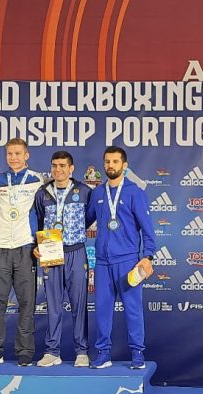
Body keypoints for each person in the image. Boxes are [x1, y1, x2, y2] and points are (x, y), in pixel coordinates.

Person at [85, 146, 156, 369]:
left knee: (133, 309)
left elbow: (148, 230)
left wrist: (149, 256)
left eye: (115, 162)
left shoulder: (135, 192)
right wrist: (56, 239)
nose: (110, 166)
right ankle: (103, 353)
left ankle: (137, 354)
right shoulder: (97, 193)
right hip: (103, 262)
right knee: (102, 310)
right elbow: (82, 224)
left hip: (128, 261)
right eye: (107, 161)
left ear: (124, 166)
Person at [0, 138, 43, 367]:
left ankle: (25, 351)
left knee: (27, 301)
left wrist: (39, 243)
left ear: (26, 155)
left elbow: (42, 212)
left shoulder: (37, 180)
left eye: (18, 153)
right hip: (1, 246)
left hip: (26, 246)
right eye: (9, 154)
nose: (13, 158)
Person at [32, 151, 93, 367]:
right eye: (55, 166)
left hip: (76, 251)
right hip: (51, 250)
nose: (58, 170)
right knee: (53, 304)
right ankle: (52, 351)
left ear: (71, 168)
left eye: (62, 166)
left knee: (79, 303)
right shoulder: (43, 193)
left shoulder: (84, 191)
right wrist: (36, 246)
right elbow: (37, 220)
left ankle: (82, 352)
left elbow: (91, 216)